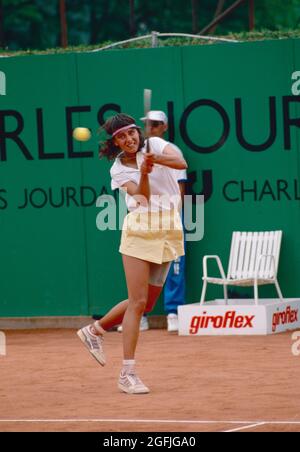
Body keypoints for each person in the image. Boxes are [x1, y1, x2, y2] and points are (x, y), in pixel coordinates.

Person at [77, 113, 187, 394]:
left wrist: (154, 160)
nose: (129, 140)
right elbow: (142, 198)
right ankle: (127, 374)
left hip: (168, 229)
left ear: (138, 132)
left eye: (131, 133)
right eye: (121, 137)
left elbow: (181, 163)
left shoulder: (157, 145)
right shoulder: (118, 169)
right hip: (139, 231)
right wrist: (144, 172)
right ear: (115, 143)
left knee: (146, 304)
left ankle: (95, 330)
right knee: (137, 302)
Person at [133, 111, 187, 333]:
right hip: (146, 215)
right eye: (147, 124)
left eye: (155, 124)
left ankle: (173, 312)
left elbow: (180, 186)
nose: (151, 128)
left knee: (173, 265)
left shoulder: (170, 150)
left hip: (170, 213)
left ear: (164, 127)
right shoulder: (134, 153)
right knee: (143, 265)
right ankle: (142, 314)